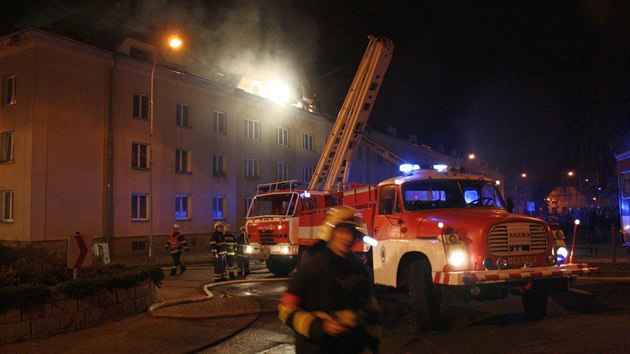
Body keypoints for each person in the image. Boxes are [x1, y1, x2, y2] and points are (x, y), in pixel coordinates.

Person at [278, 206, 380, 353]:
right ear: (330, 233)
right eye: (342, 231)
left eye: (351, 232)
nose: (348, 238)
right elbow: (285, 310)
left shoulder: (360, 269)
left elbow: (372, 310)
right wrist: (319, 326)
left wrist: (369, 341)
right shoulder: (311, 268)